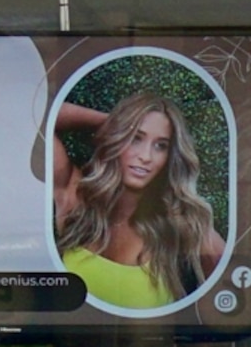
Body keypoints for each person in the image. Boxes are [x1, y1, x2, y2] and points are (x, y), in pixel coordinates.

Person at [49, 87, 225, 310]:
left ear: (170, 157)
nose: (145, 156)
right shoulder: (76, 199)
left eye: (160, 146)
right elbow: (37, 118)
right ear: (118, 139)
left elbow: (235, 291)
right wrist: (115, 123)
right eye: (135, 138)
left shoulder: (182, 221)